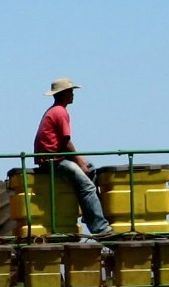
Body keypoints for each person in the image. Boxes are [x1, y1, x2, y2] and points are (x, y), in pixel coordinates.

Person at [35, 79, 114, 237]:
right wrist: (78, 161)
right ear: (63, 94)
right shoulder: (60, 112)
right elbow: (65, 141)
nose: (72, 95)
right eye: (70, 92)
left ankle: (89, 214)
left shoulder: (55, 110)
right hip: (53, 161)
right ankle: (100, 228)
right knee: (88, 187)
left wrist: (82, 163)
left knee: (91, 169)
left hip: (54, 157)